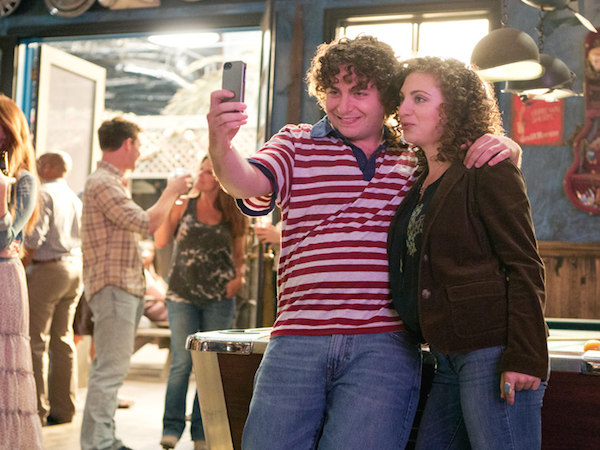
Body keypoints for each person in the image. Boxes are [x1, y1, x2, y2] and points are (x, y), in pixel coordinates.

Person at [207, 35, 523, 450]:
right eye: (333, 91)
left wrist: (507, 145)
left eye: (359, 92)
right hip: (297, 338)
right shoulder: (295, 142)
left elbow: (477, 174)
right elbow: (243, 181)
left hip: (385, 345)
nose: (343, 105)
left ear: (387, 97)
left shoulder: (418, 155)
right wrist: (221, 144)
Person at [388, 56, 548, 450]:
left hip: (492, 352)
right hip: (447, 353)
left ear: (455, 107)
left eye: (419, 98)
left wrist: (525, 356)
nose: (403, 109)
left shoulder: (486, 166)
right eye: (403, 98)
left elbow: (524, 263)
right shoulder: (420, 179)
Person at [80, 117, 191, 450]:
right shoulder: (103, 182)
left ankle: (103, 439)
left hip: (118, 286)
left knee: (109, 368)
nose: (141, 153)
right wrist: (171, 190)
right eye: (139, 145)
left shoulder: (110, 181)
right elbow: (145, 223)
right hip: (114, 287)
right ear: (127, 144)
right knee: (110, 370)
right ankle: (99, 443)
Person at [155, 156, 248, 450]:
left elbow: (240, 254)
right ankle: (171, 427)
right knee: (182, 363)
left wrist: (240, 277)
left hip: (219, 297)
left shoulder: (234, 210)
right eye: (202, 171)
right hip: (182, 295)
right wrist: (169, 198)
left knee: (210, 367)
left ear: (220, 177)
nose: (203, 176)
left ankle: (201, 432)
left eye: (209, 172)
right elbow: (160, 241)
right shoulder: (183, 205)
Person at [22, 151, 83, 426]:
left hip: (47, 271)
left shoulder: (44, 194)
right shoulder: (72, 197)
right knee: (63, 339)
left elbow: (34, 237)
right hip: (74, 268)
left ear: (47, 166)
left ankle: (37, 409)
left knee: (36, 341)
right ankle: (65, 408)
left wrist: (20, 266)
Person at [0, 94, 43, 449]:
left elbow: (5, 237)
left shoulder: (23, 180)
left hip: (5, 279)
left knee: (6, 363)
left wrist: (1, 197)